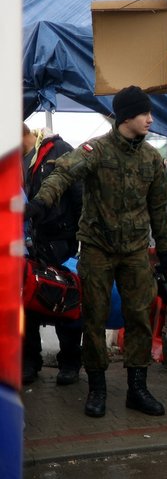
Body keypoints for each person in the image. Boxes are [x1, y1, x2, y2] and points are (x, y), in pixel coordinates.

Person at [24, 86, 167, 418]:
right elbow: (62, 172)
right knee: (92, 319)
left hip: (135, 252)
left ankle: (137, 388)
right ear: (126, 116)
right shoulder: (96, 150)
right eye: (144, 113)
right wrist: (41, 202)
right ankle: (97, 389)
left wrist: (164, 254)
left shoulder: (151, 159)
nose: (151, 118)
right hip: (96, 250)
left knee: (139, 318)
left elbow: (159, 211)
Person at [21, 124, 83, 386]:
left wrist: (78, 240)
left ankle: (69, 361)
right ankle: (29, 360)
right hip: (30, 242)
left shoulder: (58, 150)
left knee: (65, 299)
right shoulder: (15, 162)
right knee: (27, 301)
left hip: (60, 240)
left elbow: (79, 196)